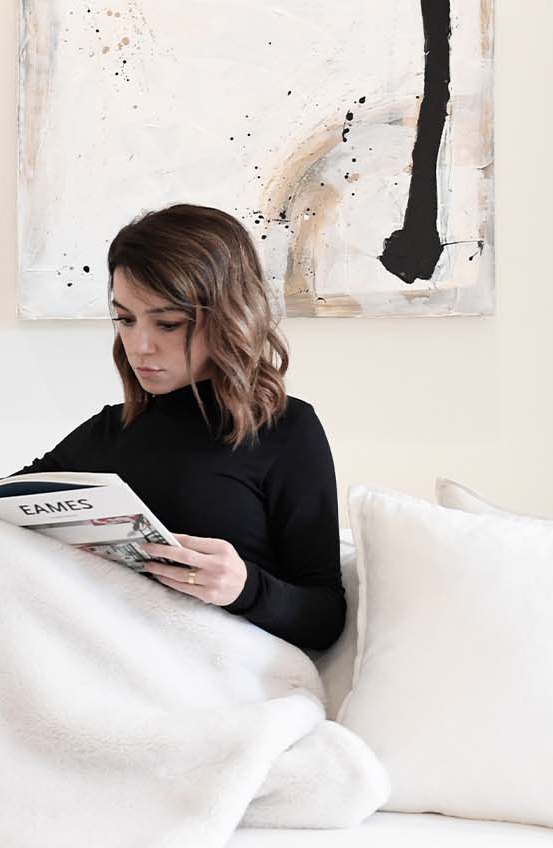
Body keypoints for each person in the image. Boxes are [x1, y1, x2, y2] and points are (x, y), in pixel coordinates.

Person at [18, 204, 345, 652]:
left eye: (167, 324)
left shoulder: (285, 430)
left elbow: (325, 618)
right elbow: (3, 510)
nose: (139, 346)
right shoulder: (110, 429)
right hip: (91, 657)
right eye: (125, 319)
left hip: (212, 667)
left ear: (229, 316)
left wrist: (245, 588)